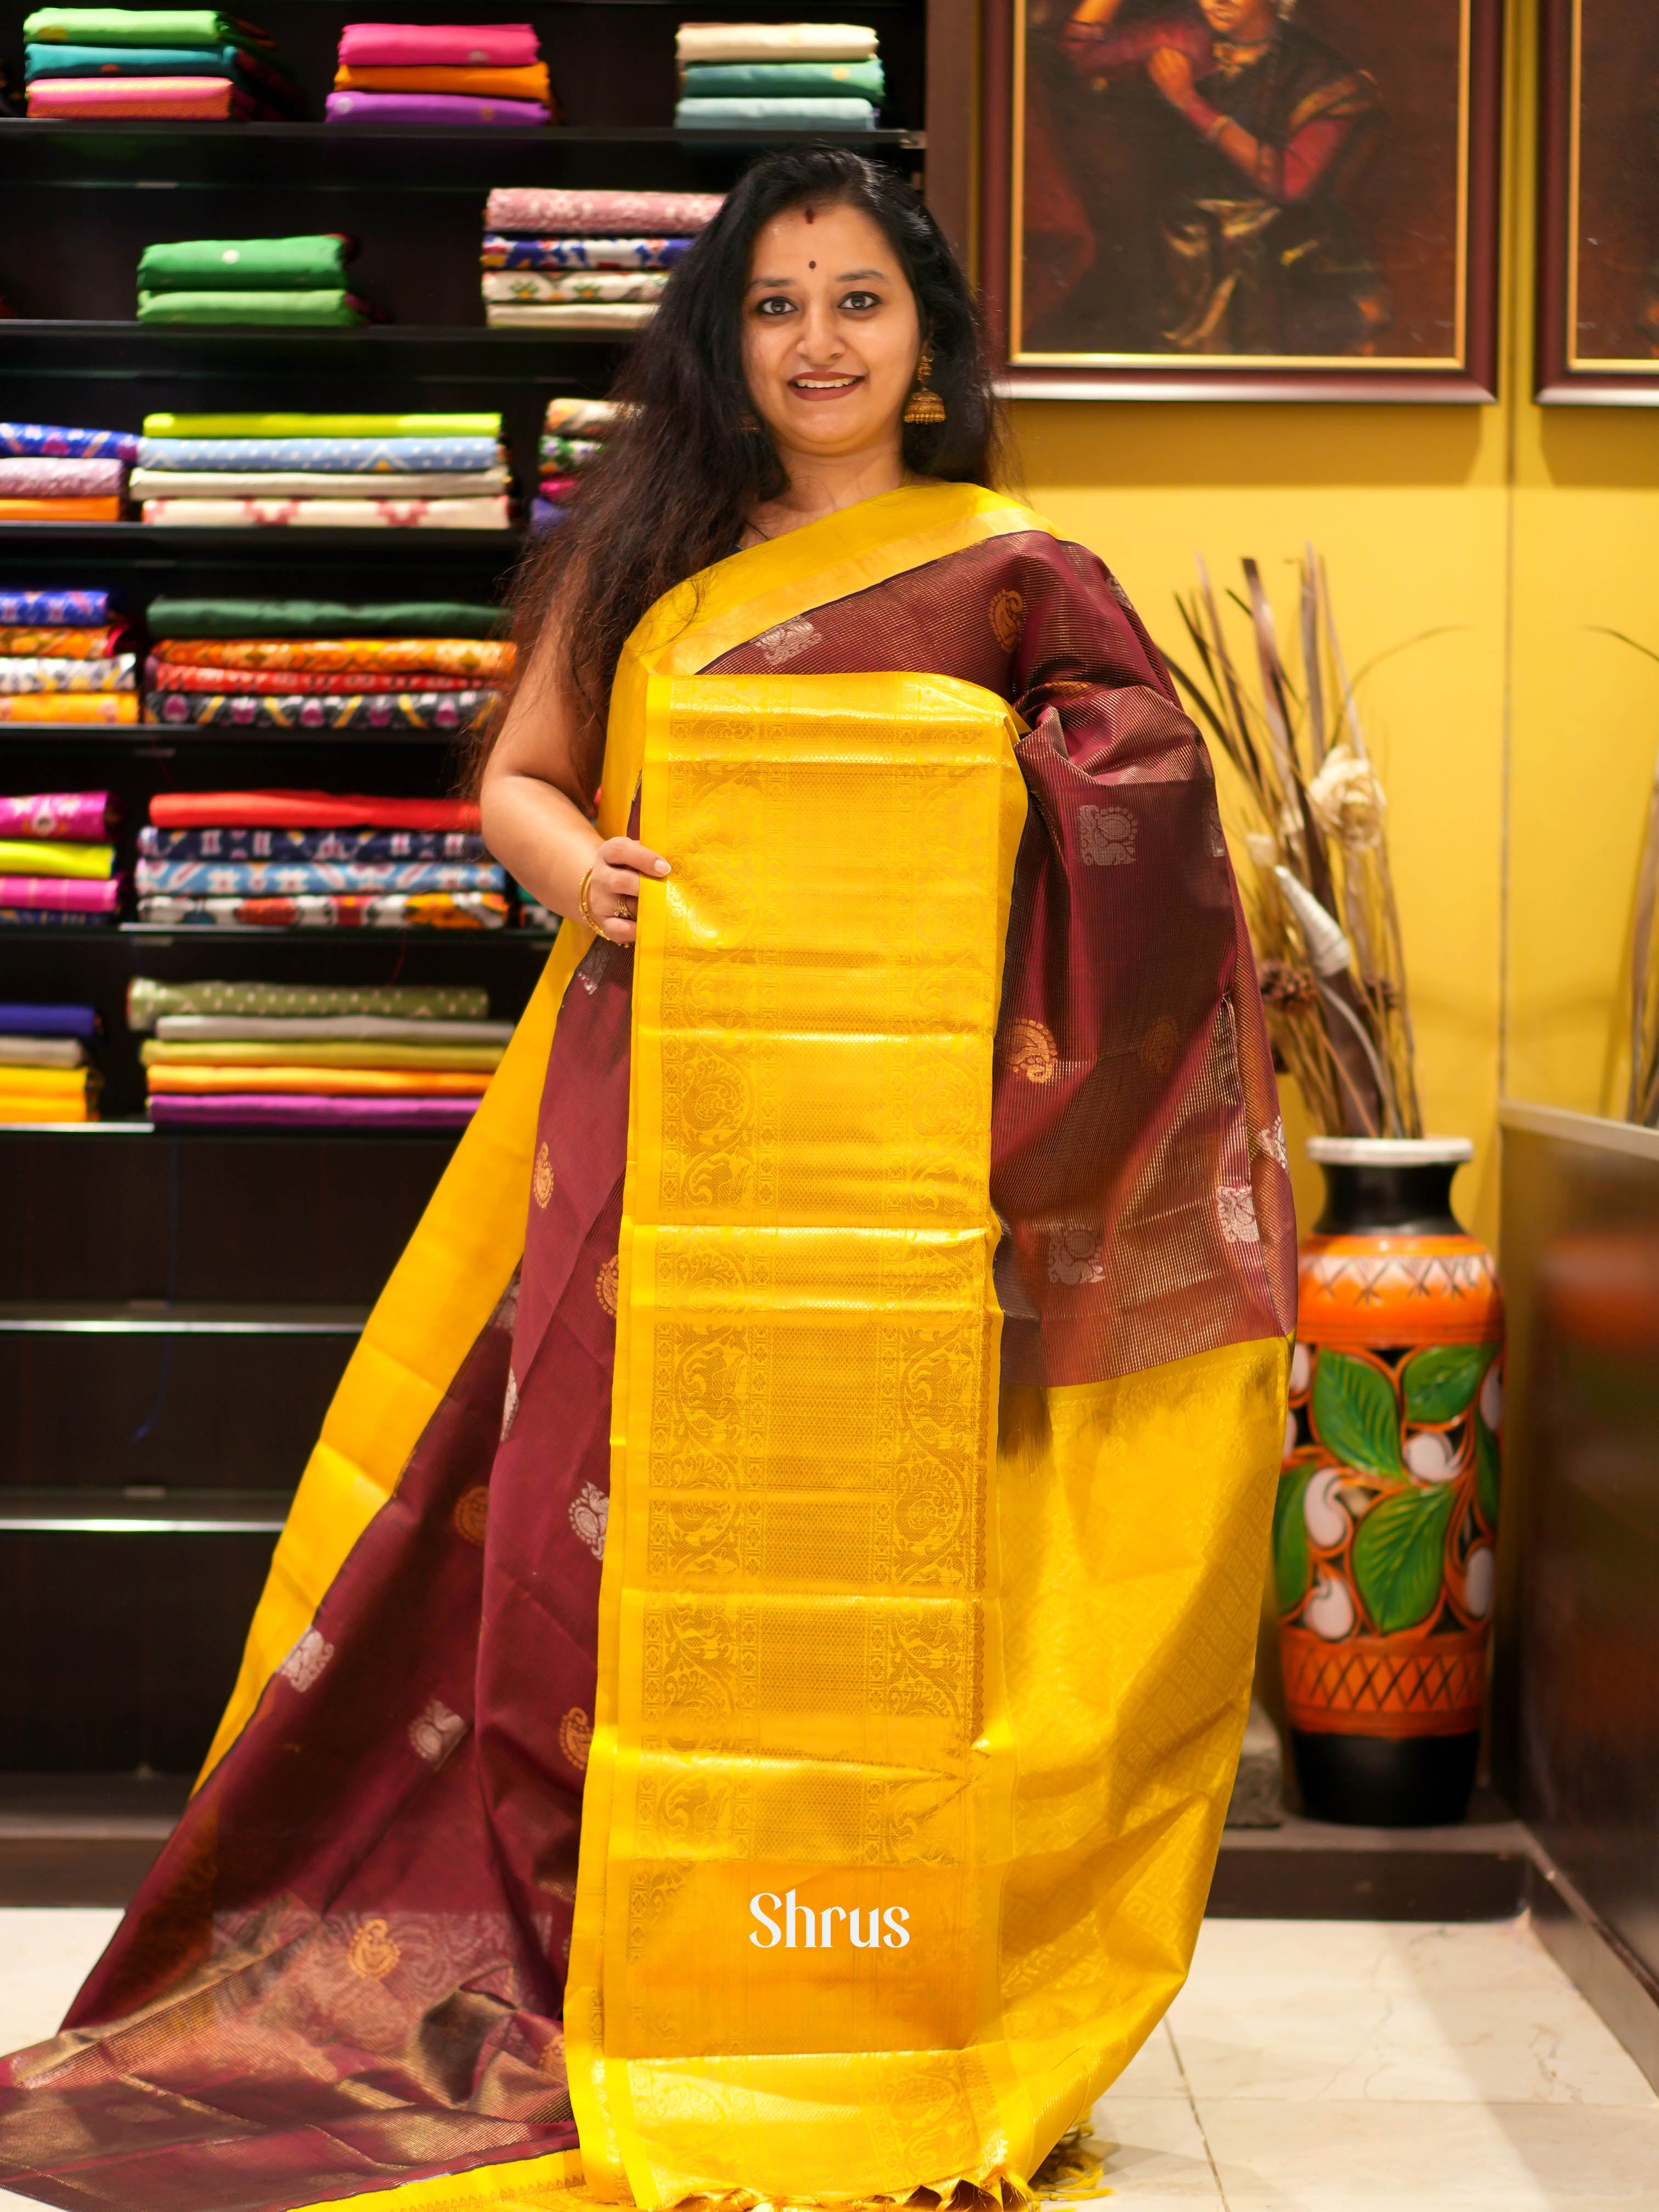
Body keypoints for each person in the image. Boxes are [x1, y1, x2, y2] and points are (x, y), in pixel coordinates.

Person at [0, 149, 1294, 2212]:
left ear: (930, 345)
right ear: (723, 338)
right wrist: (564, 859)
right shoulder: (656, 561)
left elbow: (1137, 799)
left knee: (881, 1564)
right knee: (569, 1530)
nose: (815, 340)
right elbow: (517, 771)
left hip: (903, 1169)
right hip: (659, 1109)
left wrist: (1023, 798)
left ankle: (859, 1975)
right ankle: (596, 1946)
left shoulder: (1014, 569)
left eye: (856, 299)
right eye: (773, 302)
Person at [1049, 0, 1387, 354]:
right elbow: (1075, 54)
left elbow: (1291, 181)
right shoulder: (1183, 36)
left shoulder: (1324, 76)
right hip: (1175, 252)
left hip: (1279, 260)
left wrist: (1189, 103)